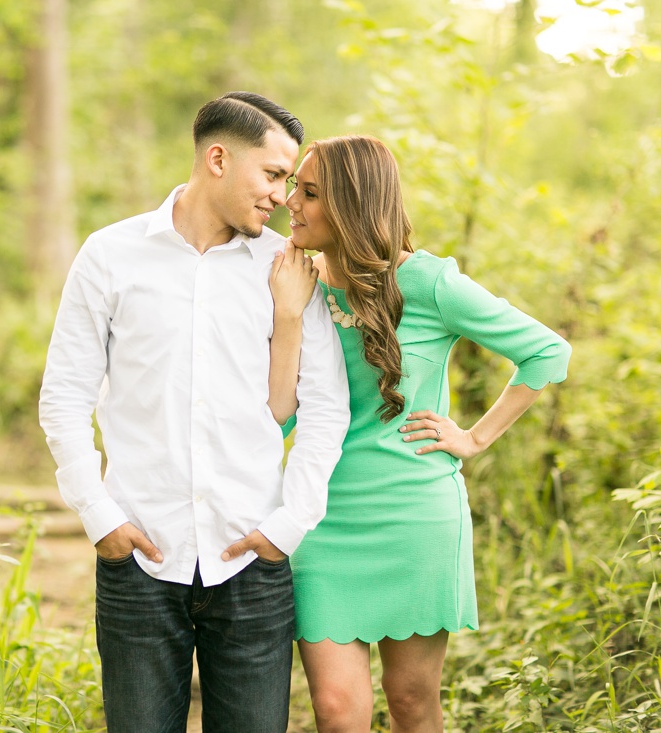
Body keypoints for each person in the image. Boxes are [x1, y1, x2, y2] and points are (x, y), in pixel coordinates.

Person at [38, 92, 350, 733]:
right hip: (141, 561)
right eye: (273, 175)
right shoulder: (110, 255)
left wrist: (289, 524)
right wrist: (101, 518)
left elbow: (326, 406)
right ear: (217, 159)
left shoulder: (287, 268)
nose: (283, 197)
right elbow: (65, 395)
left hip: (252, 561)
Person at [268, 135, 572, 732]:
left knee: (412, 702)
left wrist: (474, 439)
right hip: (322, 518)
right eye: (292, 190)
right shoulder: (291, 281)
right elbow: (281, 412)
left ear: (353, 205)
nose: (288, 204)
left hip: (415, 515)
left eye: (307, 193)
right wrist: (286, 313)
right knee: (336, 711)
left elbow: (545, 352)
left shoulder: (431, 285)